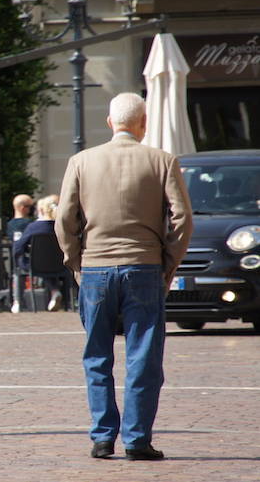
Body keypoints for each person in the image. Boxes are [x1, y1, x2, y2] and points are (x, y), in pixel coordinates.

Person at [55, 93, 193, 461]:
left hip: (96, 267)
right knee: (143, 357)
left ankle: (102, 437)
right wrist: (169, 262)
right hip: (144, 265)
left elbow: (64, 220)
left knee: (97, 355)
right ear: (143, 122)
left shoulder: (81, 161)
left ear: (109, 123)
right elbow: (182, 218)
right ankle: (137, 439)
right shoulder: (162, 161)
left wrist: (76, 264)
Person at [11, 194, 63, 313]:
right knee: (45, 266)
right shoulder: (60, 226)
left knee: (21, 266)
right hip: (61, 265)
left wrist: (19, 259)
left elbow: (18, 247)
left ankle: (17, 302)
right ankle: (55, 291)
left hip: (37, 265)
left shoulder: (33, 227)